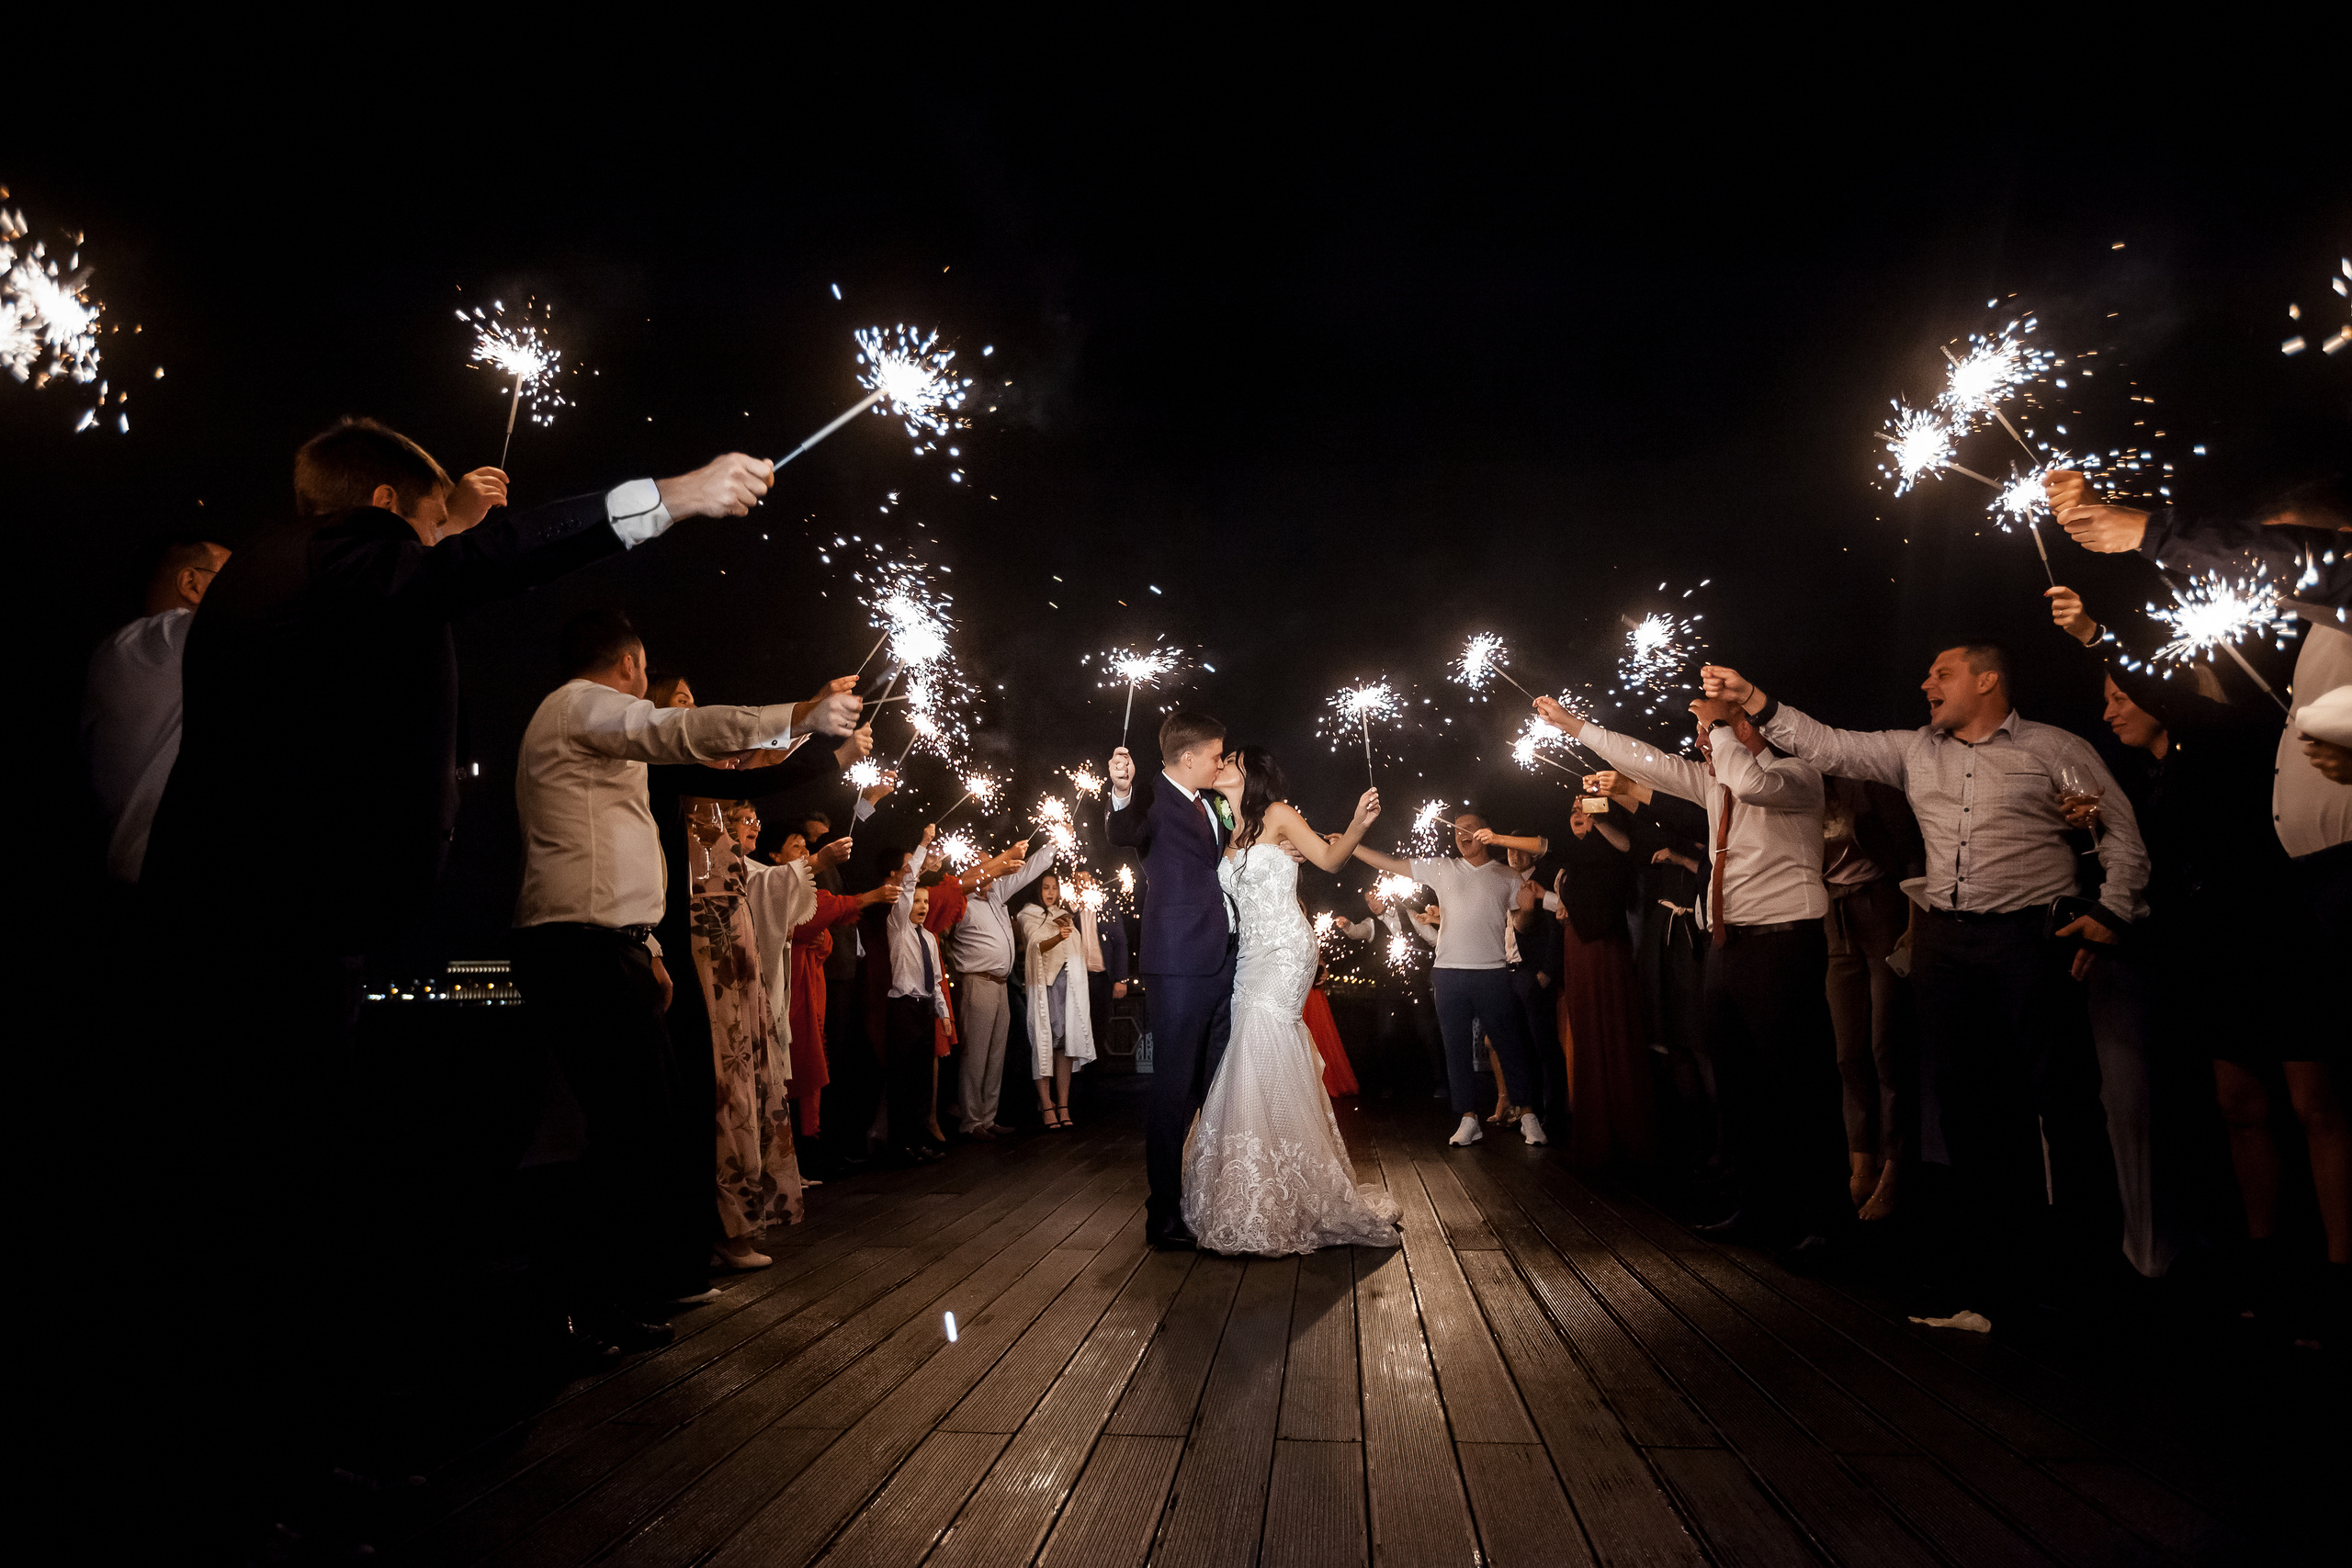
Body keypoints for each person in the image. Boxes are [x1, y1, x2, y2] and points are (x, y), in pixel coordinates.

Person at [1697, 645, 2150, 1319]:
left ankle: (2087, 1283)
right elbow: (1827, 744)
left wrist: (2115, 907)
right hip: (1947, 943)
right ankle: (1996, 1283)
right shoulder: (1913, 749)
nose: (1925, 683)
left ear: (1988, 679)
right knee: (1973, 1111)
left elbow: (2117, 829)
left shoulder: (2054, 747)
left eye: (1942, 674)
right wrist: (1754, 699)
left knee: (2063, 1104)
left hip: (2028, 940)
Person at [511, 608, 861, 1337]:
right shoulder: (581, 707)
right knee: (624, 1127)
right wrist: (802, 711)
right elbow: (686, 735)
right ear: (632, 665)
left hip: (610, 944)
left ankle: (616, 1291)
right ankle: (579, 1305)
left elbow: (657, 823)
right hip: (581, 946)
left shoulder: (595, 731)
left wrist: (653, 950)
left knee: (643, 1125)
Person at [2048, 586, 2341, 1296]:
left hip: (2279, 934)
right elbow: (2164, 876)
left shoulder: (2225, 732)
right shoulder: (2157, 773)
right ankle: (2265, 1263)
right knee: (2238, 1106)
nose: (2111, 708)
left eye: (2123, 695)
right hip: (2212, 951)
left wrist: (2093, 629)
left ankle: (2337, 1276)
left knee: (2317, 1105)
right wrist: (2108, 910)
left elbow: (2161, 684)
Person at [1533, 694, 1847, 1260]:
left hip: (1783, 943)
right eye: (1703, 732)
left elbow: (1750, 785)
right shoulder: (1714, 785)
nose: (1701, 740)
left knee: (1798, 1087)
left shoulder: (1796, 775)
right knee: (1740, 1086)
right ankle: (1758, 1207)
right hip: (1728, 946)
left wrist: (1722, 726)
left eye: (1709, 730)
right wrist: (1576, 726)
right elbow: (1649, 762)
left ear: (1746, 727)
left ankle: (1825, 1220)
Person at [1182, 744, 1398, 1254]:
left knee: (1262, 1041)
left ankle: (1282, 1187)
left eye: (1230, 758)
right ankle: (1265, 1181)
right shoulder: (1225, 832)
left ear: (1248, 771)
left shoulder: (1278, 815)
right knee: (1252, 1058)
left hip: (1286, 951)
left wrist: (1357, 822)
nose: (1220, 764)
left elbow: (1329, 858)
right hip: (1249, 958)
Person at [1107, 711, 1245, 1249]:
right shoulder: (1149, 799)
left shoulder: (1212, 803)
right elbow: (1124, 831)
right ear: (1188, 758)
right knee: (1172, 1088)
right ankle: (1163, 1212)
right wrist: (1119, 790)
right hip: (1179, 963)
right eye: (1215, 755)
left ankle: (1209, 1199)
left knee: (1216, 1083)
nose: (1220, 762)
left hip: (1226, 958)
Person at [1351, 812, 1552, 1149]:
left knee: (1509, 1044)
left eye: (1470, 827)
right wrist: (1351, 846)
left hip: (1492, 972)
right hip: (1448, 974)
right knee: (1455, 1048)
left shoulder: (1507, 875)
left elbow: (1523, 925)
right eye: (1457, 829)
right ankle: (1468, 1118)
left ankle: (1528, 1115)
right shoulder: (1443, 867)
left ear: (1485, 833)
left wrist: (1529, 910)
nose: (1463, 833)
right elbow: (1393, 863)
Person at [1491, 807, 1656, 1171]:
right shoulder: (1571, 863)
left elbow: (1595, 906)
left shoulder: (1607, 851)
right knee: (1584, 1038)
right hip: (1577, 949)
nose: (1578, 813)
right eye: (1573, 809)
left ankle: (1622, 1132)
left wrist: (1497, 837)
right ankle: (1594, 1125)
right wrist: (1550, 901)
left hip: (1602, 951)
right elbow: (1568, 908)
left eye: (1587, 807)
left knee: (1606, 1033)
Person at [684, 796, 802, 1266]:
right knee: (727, 1090)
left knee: (744, 1087)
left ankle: (737, 1225)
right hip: (718, 972)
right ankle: (727, 1228)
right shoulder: (697, 829)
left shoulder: (710, 833)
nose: (751, 826)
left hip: (736, 971)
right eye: (744, 819)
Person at [82, 534, 229, 884]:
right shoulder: (157, 639)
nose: (248, 585)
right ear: (192, 584)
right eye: (236, 575)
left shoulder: (126, 656)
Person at [1818, 773, 1924, 1220]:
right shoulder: (1792, 784)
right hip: (1832, 913)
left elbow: (1914, 857)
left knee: (1888, 1048)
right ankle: (1860, 1160)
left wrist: (1916, 929)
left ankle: (1896, 1169)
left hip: (1883, 905)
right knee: (1847, 1051)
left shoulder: (1864, 783)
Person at [944, 836, 1052, 1136]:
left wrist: (1052, 845)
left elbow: (1026, 871)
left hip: (1001, 985)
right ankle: (971, 1122)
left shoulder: (996, 897)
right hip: (976, 984)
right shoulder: (962, 902)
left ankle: (987, 1118)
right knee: (974, 1056)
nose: (997, 873)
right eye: (988, 868)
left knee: (994, 1056)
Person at [877, 827, 953, 1164]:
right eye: (917, 901)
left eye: (925, 902)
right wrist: (922, 844)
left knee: (923, 1080)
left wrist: (944, 1015)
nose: (921, 906)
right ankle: (900, 1145)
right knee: (903, 1080)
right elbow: (906, 887)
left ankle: (918, 1139)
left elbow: (935, 981)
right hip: (903, 1009)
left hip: (924, 1010)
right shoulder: (898, 925)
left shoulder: (929, 938)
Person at [1017, 873, 1096, 1128]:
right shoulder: (1028, 914)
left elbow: (1076, 949)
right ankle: (1046, 1104)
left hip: (1067, 987)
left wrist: (1067, 929)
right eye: (1045, 887)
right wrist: (1058, 936)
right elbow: (1035, 946)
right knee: (1044, 1044)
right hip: (1044, 988)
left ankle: (1063, 1104)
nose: (1050, 892)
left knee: (1064, 1045)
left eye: (1054, 887)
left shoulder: (1063, 914)